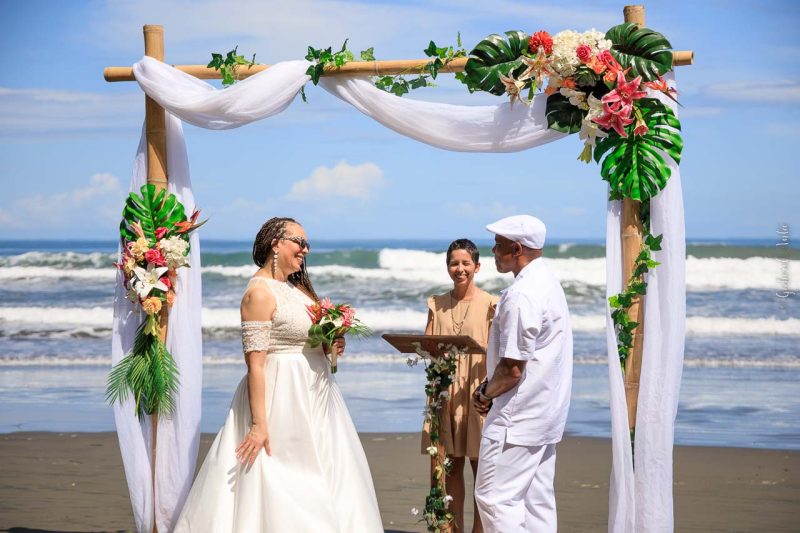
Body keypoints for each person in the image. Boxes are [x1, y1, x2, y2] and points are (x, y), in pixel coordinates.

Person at [174, 217, 383, 533]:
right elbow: (255, 364)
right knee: (288, 480)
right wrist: (259, 425)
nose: (305, 250)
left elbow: (310, 344)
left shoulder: (297, 290)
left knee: (331, 475)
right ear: (276, 242)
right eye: (300, 242)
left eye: (307, 244)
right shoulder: (258, 294)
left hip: (318, 398)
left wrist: (332, 343)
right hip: (281, 398)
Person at [471, 215, 573, 533]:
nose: (492, 251)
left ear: (517, 248)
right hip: (546, 412)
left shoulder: (522, 294)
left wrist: (485, 393)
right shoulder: (549, 283)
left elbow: (513, 368)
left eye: (498, 245)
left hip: (517, 417)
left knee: (494, 498)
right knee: (535, 500)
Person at [421, 238, 499, 533]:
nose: (460, 269)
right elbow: (427, 345)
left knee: (483, 470)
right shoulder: (436, 304)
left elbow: (496, 351)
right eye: (454, 263)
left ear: (477, 266)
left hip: (478, 393)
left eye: (466, 263)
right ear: (447, 267)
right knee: (449, 466)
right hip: (444, 392)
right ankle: (451, 530)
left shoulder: (492, 304)